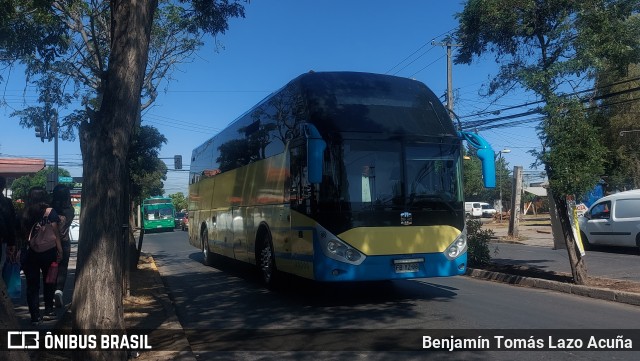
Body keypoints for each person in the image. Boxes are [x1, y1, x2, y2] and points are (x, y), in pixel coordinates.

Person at [21, 187, 63, 325]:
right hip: (49, 251)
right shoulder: (50, 212)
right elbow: (56, 231)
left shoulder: (25, 212)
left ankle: (35, 315)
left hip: (30, 252)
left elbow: (20, 232)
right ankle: (49, 310)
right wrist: (59, 248)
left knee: (32, 285)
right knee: (49, 281)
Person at [51, 184, 74, 308]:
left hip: (49, 243)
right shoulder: (70, 210)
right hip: (65, 242)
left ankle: (49, 293)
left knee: (49, 268)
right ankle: (59, 291)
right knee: (62, 267)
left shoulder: (49, 209)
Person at [0, 176, 18, 265]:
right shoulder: (6, 202)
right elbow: (11, 222)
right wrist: (12, 242)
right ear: (3, 187)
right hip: (2, 240)